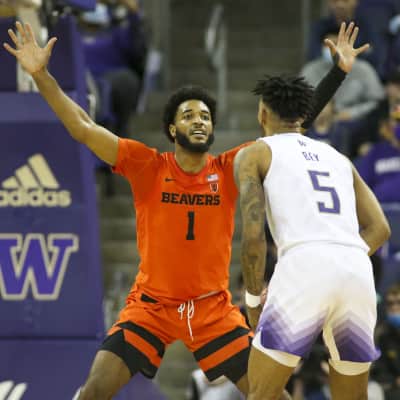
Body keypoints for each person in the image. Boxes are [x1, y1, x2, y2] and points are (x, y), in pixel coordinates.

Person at [3, 20, 365, 400]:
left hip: (213, 311)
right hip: (151, 307)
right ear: (172, 129)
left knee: (273, 396)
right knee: (93, 391)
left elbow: (291, 129)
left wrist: (338, 73)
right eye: (189, 115)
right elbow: (83, 126)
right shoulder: (147, 165)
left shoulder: (232, 166)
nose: (199, 120)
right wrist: (41, 75)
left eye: (205, 116)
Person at [234, 26, 391, 400]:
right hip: (356, 270)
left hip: (303, 266)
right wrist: (340, 256)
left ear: (261, 112)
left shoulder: (254, 153)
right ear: (302, 116)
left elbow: (254, 237)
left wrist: (253, 301)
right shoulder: (338, 158)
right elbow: (381, 229)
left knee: (262, 394)